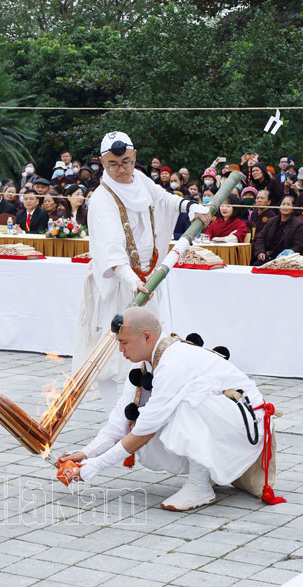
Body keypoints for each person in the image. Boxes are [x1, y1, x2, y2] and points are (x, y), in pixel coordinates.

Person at [58, 307, 270, 511]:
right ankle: (208, 473)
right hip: (225, 421)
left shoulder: (173, 361)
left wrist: (96, 466)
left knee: (187, 403)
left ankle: (200, 486)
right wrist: (87, 453)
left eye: (124, 342)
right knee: (164, 411)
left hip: (247, 427)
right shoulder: (144, 363)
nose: (120, 350)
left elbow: (146, 428)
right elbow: (120, 419)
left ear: (147, 337)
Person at [73, 131, 209, 408]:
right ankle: (115, 410)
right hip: (121, 283)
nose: (121, 169)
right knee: (115, 348)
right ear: (102, 162)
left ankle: (147, 403)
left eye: (126, 162)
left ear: (134, 156)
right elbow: (110, 248)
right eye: (113, 164)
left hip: (148, 279)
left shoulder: (142, 181)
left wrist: (192, 207)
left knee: (151, 342)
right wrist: (131, 280)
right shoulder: (101, 198)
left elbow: (165, 199)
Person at [252, 195, 303, 263]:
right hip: (267, 256)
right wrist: (260, 251)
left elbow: (298, 245)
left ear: (293, 209)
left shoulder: (298, 224)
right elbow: (260, 237)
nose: (285, 206)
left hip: (285, 260)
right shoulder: (271, 221)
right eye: (283, 204)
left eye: (288, 204)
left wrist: (286, 256)